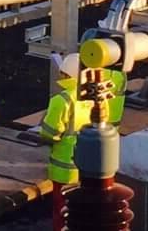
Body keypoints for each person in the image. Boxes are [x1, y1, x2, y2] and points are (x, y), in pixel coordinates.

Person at [39, 53, 93, 231]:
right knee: (86, 213)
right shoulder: (95, 96)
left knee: (62, 213)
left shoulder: (61, 100)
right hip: (89, 168)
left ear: (65, 74)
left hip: (64, 171)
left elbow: (49, 133)